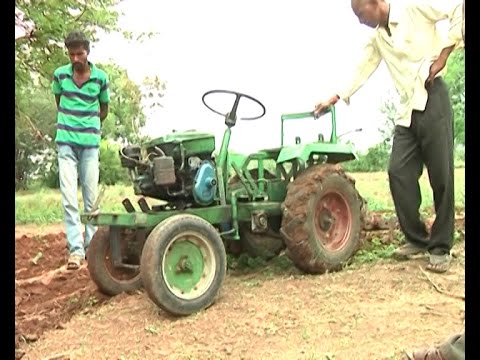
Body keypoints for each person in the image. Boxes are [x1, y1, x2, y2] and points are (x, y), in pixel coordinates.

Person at [314, 0, 464, 273]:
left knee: (441, 176)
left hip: (433, 98)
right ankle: (417, 239)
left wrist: (443, 55)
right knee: (398, 172)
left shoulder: (414, 10)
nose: (360, 21)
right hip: (407, 110)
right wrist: (336, 97)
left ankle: (441, 247)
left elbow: (457, 8)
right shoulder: (377, 38)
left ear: (376, 3)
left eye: (361, 14)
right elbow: (362, 67)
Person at [51, 30, 110, 270]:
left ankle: (92, 248)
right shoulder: (60, 76)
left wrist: (89, 126)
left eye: (80, 54)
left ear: (88, 53)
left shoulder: (100, 78)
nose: (75, 58)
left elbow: (103, 108)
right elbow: (59, 103)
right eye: (71, 54)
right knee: (68, 198)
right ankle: (75, 251)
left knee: (91, 199)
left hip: (90, 145)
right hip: (65, 142)